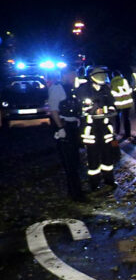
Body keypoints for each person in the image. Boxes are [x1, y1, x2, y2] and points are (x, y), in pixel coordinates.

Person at [76, 66, 117, 190]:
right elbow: (80, 108)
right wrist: (92, 110)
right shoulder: (83, 89)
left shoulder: (105, 89)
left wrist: (106, 110)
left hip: (105, 128)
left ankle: (109, 179)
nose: (103, 78)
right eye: (100, 75)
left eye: (104, 75)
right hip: (90, 129)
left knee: (107, 155)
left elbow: (112, 105)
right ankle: (94, 182)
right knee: (92, 156)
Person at [48, 69, 85, 201]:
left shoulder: (70, 88)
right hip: (65, 127)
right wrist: (60, 128)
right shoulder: (57, 88)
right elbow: (54, 110)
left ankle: (75, 190)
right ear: (64, 75)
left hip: (73, 125)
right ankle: (76, 193)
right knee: (69, 161)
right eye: (72, 75)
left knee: (75, 160)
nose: (74, 77)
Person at [110, 70, 134, 140]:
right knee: (126, 119)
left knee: (117, 119)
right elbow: (129, 90)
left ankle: (117, 132)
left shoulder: (112, 82)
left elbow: (112, 93)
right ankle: (128, 134)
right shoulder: (124, 80)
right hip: (127, 102)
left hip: (118, 103)